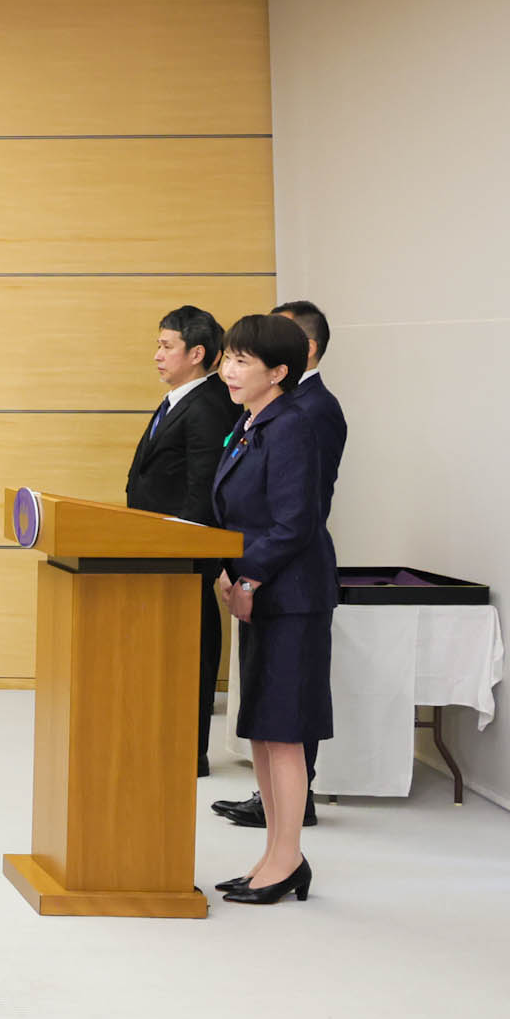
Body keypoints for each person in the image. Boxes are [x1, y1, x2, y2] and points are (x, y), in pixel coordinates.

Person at [207, 312, 336, 905]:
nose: (228, 369)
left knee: (284, 733)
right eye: (228, 357)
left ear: (279, 371)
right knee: (262, 729)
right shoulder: (253, 421)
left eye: (241, 361)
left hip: (291, 599)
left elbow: (294, 523)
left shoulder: (291, 426)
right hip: (261, 591)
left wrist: (248, 580)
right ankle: (273, 856)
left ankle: (287, 861)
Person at [125, 304, 236, 776]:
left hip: (183, 558)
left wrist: (187, 553)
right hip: (158, 552)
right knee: (164, 656)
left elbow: (202, 489)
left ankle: (190, 750)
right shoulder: (178, 397)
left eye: (166, 346)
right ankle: (165, 739)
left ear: (197, 352)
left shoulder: (208, 404)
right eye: (158, 344)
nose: (157, 355)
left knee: (190, 654)